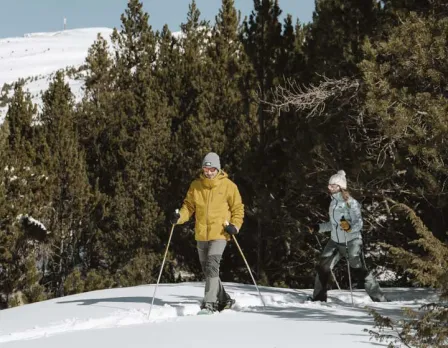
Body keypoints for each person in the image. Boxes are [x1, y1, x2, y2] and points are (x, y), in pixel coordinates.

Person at [170, 152, 244, 313]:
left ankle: (210, 304)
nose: (208, 172)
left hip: (220, 233)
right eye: (205, 169)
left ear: (218, 169)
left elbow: (238, 209)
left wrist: (235, 226)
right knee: (208, 270)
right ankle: (225, 299)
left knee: (212, 265)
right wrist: (179, 217)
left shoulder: (229, 186)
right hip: (202, 234)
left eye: (211, 169)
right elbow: (188, 207)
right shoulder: (196, 186)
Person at [308, 170, 388, 303]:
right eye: (329, 185)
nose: (329, 187)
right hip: (335, 241)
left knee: (358, 269)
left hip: (351, 241)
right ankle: (318, 299)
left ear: (340, 187)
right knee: (323, 267)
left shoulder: (351, 203)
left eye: (333, 185)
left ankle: (380, 299)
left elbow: (359, 224)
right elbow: (333, 225)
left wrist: (349, 228)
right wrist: (318, 227)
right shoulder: (333, 203)